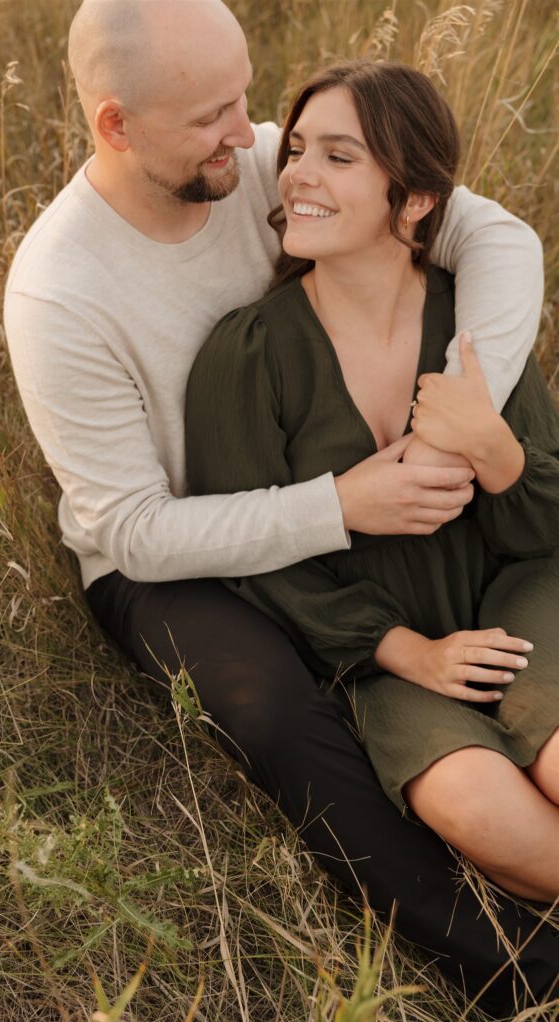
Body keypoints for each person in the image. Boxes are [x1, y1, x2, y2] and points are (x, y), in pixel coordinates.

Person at [3, 0, 557, 1012]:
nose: (251, 138)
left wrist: (464, 415)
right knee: (276, 709)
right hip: (163, 550)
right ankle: (508, 965)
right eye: (215, 114)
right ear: (115, 126)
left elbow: (493, 233)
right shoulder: (60, 291)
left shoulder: (258, 160)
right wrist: (341, 505)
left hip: (362, 495)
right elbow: (132, 526)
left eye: (248, 100)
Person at [185, 53, 559, 935]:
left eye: (338, 157)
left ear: (416, 200)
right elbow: (256, 563)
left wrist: (494, 451)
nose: (296, 175)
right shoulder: (245, 356)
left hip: (523, 600)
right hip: (383, 647)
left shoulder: (476, 323)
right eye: (298, 149)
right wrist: (405, 653)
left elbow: (546, 523)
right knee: (479, 810)